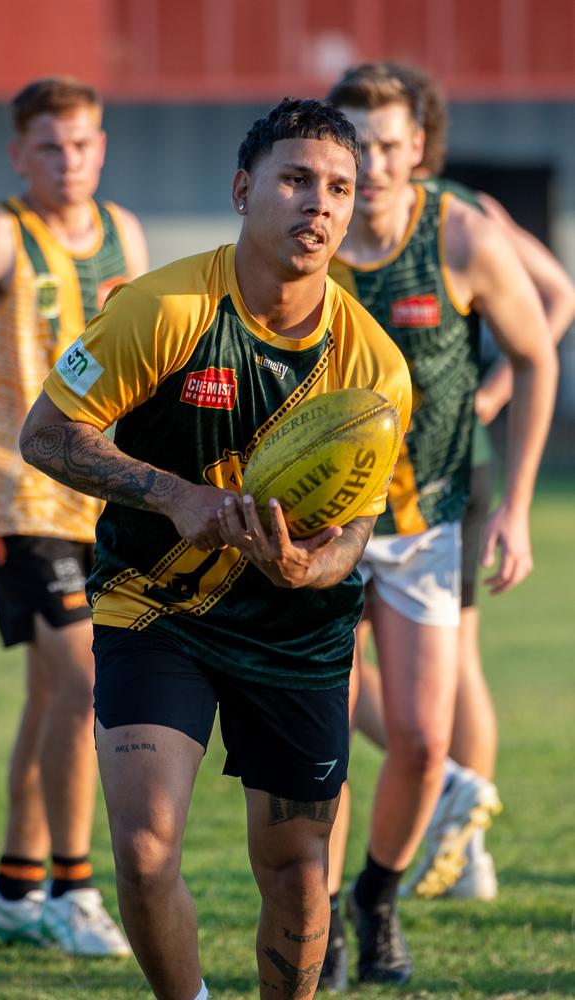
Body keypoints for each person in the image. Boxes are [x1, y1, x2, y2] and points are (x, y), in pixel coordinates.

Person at [18, 97, 412, 1000]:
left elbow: (354, 529)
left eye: (339, 189)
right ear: (244, 190)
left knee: (298, 870)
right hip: (158, 606)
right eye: (296, 180)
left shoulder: (373, 371)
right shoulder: (163, 308)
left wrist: (317, 565)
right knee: (146, 847)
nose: (319, 204)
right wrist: (175, 495)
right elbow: (46, 434)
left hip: (295, 628)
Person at [319, 63, 559, 986]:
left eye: (389, 144)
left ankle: (378, 896)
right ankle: (325, 918)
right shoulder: (305, 234)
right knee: (326, 742)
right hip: (317, 531)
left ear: (418, 148)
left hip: (431, 523)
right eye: (357, 144)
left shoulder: (459, 234)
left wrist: (516, 508)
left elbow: (537, 354)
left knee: (423, 743)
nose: (373, 164)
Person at [0, 76, 148, 955]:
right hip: (11, 491)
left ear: (102, 145)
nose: (70, 161)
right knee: (89, 682)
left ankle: (16, 887)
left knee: (52, 693)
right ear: (19, 154)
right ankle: (72, 888)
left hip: (100, 491)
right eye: (50, 147)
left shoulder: (125, 232)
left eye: (83, 144)